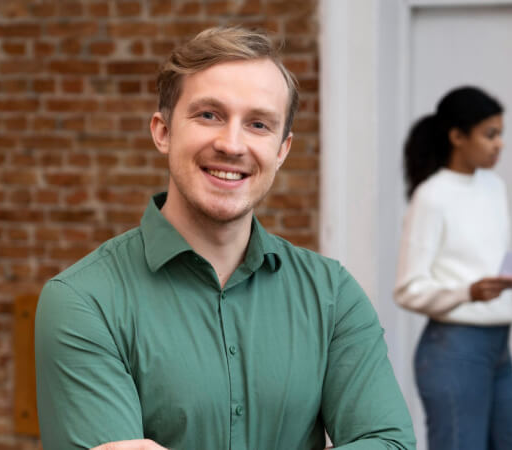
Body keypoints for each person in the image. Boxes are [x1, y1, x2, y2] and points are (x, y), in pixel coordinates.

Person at [35, 26, 415, 450]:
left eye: (258, 124)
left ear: (282, 150)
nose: (232, 144)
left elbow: (389, 443)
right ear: (163, 131)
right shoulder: (85, 301)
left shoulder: (332, 296)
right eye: (209, 115)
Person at [394, 86, 512, 449]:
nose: (500, 144)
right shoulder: (431, 196)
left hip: (499, 351)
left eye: (501, 134)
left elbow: (489, 270)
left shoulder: (494, 187)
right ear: (457, 137)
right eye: (490, 135)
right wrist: (468, 292)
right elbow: (407, 288)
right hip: (454, 351)